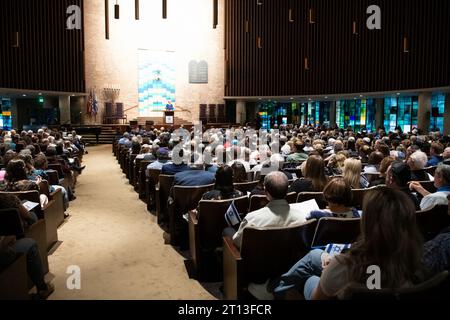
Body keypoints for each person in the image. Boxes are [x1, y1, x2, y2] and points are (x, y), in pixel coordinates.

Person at [271, 187, 424, 300]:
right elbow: (374, 280)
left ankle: (275, 290)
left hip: (345, 278)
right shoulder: (420, 259)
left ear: (368, 223)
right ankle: (277, 287)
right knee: (316, 255)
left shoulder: (342, 266)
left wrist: (328, 271)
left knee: (310, 279)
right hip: (376, 278)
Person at [229, 171, 308, 248]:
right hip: (291, 259)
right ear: (287, 191)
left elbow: (238, 242)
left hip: (258, 260)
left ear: (266, 192)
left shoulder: (251, 219)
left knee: (227, 230)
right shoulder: (302, 218)